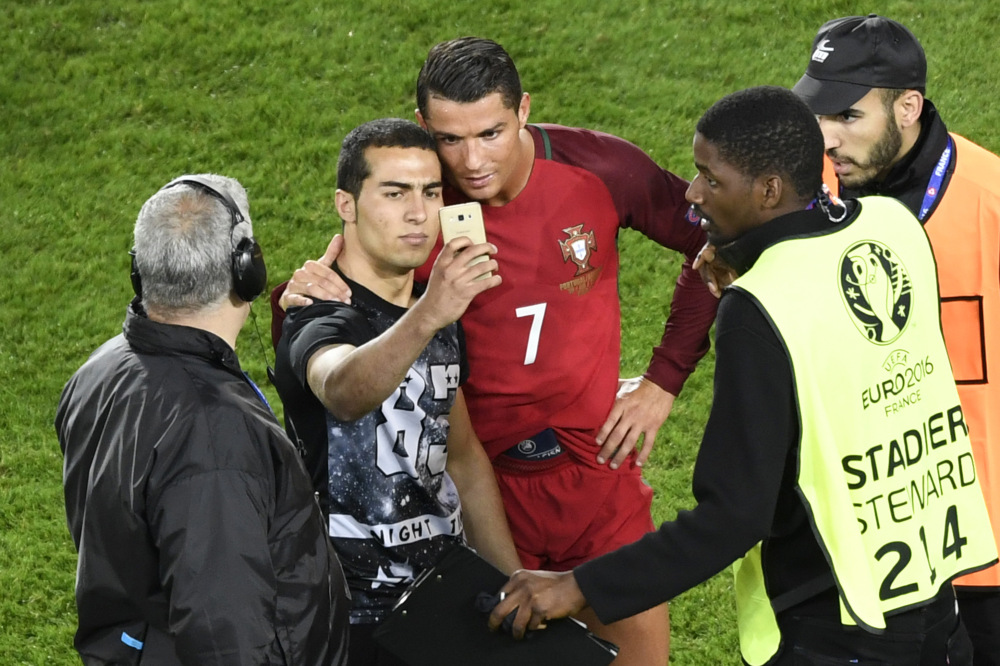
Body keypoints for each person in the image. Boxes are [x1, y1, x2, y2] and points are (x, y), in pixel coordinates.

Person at [487, 85, 998, 665]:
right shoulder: (895, 227)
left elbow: (733, 517)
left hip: (839, 625)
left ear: (769, 189)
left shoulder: (757, 309)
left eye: (710, 177)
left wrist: (574, 587)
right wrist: (747, 248)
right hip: (940, 607)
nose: (692, 191)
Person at [272, 37, 720, 663]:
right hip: (486, 491)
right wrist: (309, 292)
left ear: (523, 112)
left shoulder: (599, 169)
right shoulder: (421, 207)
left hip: (596, 476)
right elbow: (338, 315)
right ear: (426, 128)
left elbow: (719, 243)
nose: (472, 161)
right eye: (450, 140)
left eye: (490, 133)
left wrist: (664, 381)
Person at [55, 175, 350, 665]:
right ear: (246, 269)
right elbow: (225, 635)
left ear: (140, 268)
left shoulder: (101, 368)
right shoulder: (215, 436)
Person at [271, 118, 522, 665]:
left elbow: (461, 457)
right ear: (346, 203)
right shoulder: (316, 313)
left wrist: (510, 582)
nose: (418, 214)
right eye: (394, 193)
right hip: (351, 616)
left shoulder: (435, 309)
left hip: (444, 594)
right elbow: (341, 389)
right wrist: (432, 312)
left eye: (431, 193)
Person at [790, 15, 1000, 662]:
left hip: (985, 548)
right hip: (865, 536)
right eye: (817, 115)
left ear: (908, 107)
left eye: (848, 117)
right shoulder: (811, 195)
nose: (826, 139)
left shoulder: (990, 204)